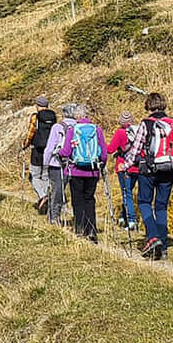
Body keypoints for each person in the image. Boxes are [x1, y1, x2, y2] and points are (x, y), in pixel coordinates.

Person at [130, 92, 173, 258]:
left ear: (148, 105)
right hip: (169, 168)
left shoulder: (146, 123)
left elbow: (136, 148)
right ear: (164, 105)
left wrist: (127, 166)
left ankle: (153, 237)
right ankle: (163, 247)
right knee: (161, 206)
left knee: (144, 202)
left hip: (148, 169)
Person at [64, 103, 106, 242]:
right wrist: (102, 165)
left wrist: (59, 153)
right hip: (93, 171)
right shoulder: (97, 129)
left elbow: (66, 151)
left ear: (76, 116)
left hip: (76, 171)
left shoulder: (73, 130)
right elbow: (104, 152)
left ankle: (80, 228)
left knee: (77, 200)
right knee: (89, 199)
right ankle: (92, 230)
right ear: (87, 115)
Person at [19, 95, 57, 212]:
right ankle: (45, 199)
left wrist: (25, 144)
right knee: (45, 176)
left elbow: (31, 132)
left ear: (37, 105)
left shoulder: (35, 117)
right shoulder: (53, 116)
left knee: (34, 175)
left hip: (37, 150)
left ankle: (42, 196)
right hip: (49, 151)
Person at [105, 111, 139, 231]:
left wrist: (101, 143)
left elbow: (110, 149)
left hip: (123, 166)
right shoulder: (138, 131)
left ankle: (131, 220)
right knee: (129, 193)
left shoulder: (120, 133)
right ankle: (123, 217)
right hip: (137, 167)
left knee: (126, 194)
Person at [42, 103, 75, 226]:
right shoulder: (79, 126)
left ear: (63, 113)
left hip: (56, 164)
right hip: (74, 164)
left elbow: (50, 147)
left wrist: (45, 163)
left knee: (57, 191)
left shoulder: (57, 127)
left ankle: (54, 217)